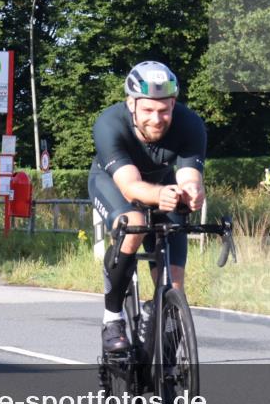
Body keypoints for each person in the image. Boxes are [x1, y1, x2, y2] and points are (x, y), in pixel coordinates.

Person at [88, 61, 207, 353]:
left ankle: (162, 358)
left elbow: (190, 175)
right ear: (132, 104)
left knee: (174, 286)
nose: (157, 119)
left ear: (173, 104)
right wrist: (160, 195)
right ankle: (113, 317)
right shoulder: (109, 124)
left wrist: (192, 191)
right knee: (134, 222)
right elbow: (130, 186)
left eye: (164, 110)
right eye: (148, 110)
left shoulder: (190, 124)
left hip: (164, 186)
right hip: (114, 184)